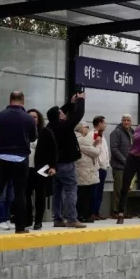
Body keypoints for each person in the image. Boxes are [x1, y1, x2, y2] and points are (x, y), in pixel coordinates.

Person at [0, 91, 37, 234]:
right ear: (23, 101)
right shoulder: (29, 119)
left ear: (10, 100)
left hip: (2, 158)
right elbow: (34, 138)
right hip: (21, 159)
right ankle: (20, 227)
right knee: (20, 193)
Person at [47, 91, 86, 228]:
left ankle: (57, 219)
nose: (64, 113)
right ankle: (71, 218)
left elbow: (59, 112)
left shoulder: (50, 127)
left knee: (57, 191)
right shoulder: (64, 126)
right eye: (61, 113)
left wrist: (71, 103)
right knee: (70, 190)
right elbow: (78, 115)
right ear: (59, 117)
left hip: (53, 165)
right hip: (66, 164)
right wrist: (81, 100)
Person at [25, 109, 57, 230]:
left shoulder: (46, 132)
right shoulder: (23, 131)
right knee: (26, 195)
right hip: (26, 168)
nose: (32, 119)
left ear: (39, 119)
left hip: (42, 168)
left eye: (35, 117)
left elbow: (53, 151)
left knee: (40, 195)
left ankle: (38, 221)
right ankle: (28, 219)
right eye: (30, 117)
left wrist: (53, 166)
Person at [74, 122, 101, 223]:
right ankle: (84, 215)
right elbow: (95, 152)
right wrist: (98, 145)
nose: (88, 129)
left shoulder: (76, 139)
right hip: (85, 170)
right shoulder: (81, 140)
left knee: (82, 194)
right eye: (86, 127)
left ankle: (83, 214)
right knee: (85, 195)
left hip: (82, 170)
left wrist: (93, 145)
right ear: (80, 129)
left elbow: (87, 150)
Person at [109, 114, 133, 218]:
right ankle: (115, 211)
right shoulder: (116, 132)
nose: (126, 122)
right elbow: (114, 149)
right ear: (121, 121)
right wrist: (125, 160)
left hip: (130, 166)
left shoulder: (133, 132)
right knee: (118, 189)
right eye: (124, 120)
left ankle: (122, 211)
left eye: (128, 120)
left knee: (126, 190)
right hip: (119, 166)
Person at [91, 116, 109, 220]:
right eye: (104, 123)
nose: (105, 125)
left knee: (99, 191)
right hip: (98, 167)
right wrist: (101, 164)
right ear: (99, 124)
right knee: (96, 191)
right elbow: (96, 150)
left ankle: (96, 212)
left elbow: (105, 151)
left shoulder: (102, 135)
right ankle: (93, 212)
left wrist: (106, 164)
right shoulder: (94, 134)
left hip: (103, 167)